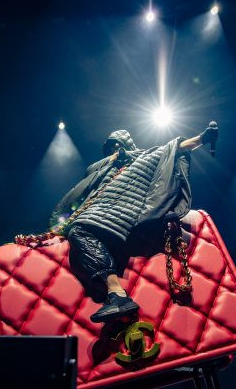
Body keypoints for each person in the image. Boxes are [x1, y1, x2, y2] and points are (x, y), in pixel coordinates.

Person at [48, 125, 218, 323]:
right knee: (79, 232)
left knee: (79, 232)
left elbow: (177, 147)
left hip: (119, 217)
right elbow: (89, 176)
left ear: (125, 145)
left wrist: (202, 138)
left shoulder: (148, 156)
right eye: (110, 149)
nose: (113, 151)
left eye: (117, 146)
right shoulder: (105, 171)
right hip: (100, 213)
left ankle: (117, 295)